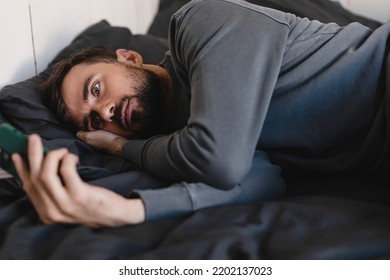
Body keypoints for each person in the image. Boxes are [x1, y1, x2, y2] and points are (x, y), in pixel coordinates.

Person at [12, 0, 390, 227]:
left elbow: (219, 161)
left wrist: (116, 147)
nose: (106, 112)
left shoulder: (199, 22)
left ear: (128, 56)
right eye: (94, 121)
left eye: (95, 89)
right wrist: (126, 212)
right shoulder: (189, 132)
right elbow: (257, 181)